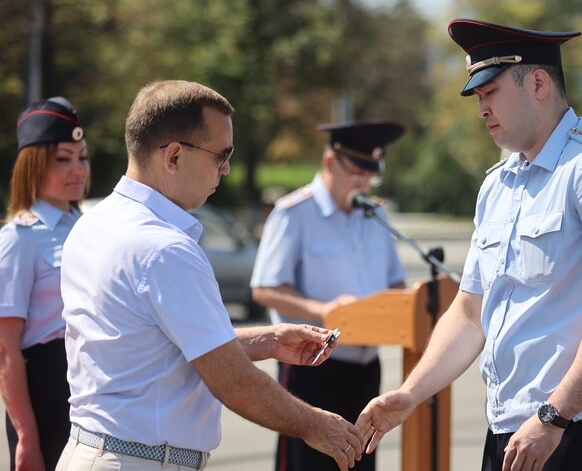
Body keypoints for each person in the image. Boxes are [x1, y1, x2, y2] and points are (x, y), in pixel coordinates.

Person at [356, 19, 582, 471]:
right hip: (512, 429)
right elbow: (469, 312)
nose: (482, 109)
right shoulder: (499, 185)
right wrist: (411, 393)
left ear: (538, 82)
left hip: (577, 428)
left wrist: (555, 415)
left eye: (490, 92)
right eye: (478, 97)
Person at [56, 80, 362, 471]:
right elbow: (235, 383)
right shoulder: (165, 249)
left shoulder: (93, 223)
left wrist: (267, 339)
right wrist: (318, 425)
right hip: (142, 460)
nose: (226, 168)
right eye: (221, 155)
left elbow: (150, 341)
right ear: (174, 157)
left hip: (94, 451)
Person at [251, 121, 407, 471]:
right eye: (356, 172)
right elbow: (265, 288)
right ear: (329, 163)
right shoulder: (295, 213)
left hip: (367, 368)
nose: (363, 183)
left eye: (371, 175)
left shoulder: (375, 215)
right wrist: (323, 310)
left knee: (360, 463)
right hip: (314, 363)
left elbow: (396, 283)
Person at [0, 97, 89, 471]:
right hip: (46, 387)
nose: (78, 169)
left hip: (89, 384)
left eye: (82, 157)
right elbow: (5, 350)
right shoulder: (18, 238)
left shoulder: (89, 228)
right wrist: (27, 437)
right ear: (33, 165)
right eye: (62, 159)